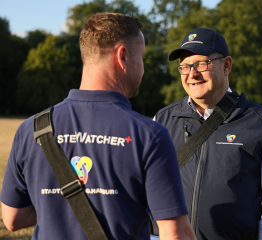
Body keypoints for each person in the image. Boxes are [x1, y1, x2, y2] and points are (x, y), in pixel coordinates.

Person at [1, 13, 196, 240]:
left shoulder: (31, 129)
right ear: (123, 56)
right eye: (141, 57)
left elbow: (13, 218)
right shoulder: (148, 135)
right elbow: (175, 234)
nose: (143, 68)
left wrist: (56, 205)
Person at [153, 28, 262, 239]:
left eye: (201, 64)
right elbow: (149, 196)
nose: (192, 74)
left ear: (226, 65)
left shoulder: (261, 123)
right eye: (184, 67)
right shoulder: (161, 121)